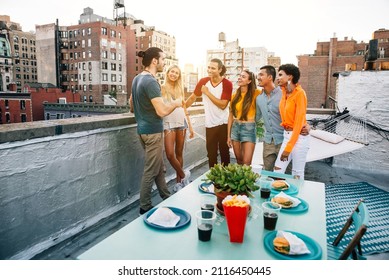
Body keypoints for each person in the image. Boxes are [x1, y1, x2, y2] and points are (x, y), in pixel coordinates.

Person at [129, 47, 182, 215]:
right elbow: (161, 111)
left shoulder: (137, 79)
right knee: (151, 170)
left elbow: (131, 106)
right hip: (152, 132)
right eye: (163, 60)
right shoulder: (151, 81)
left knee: (158, 166)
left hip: (142, 130)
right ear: (154, 61)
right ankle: (144, 206)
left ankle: (166, 196)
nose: (164, 63)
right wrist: (176, 103)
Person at [256, 65, 309, 172]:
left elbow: (299, 117)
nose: (258, 77)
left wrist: (307, 125)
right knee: (272, 172)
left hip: (289, 138)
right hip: (273, 140)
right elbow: (255, 118)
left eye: (261, 74)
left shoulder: (292, 93)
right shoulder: (261, 98)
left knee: (292, 174)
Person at [186, 58, 233, 168]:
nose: (210, 70)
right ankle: (214, 181)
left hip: (223, 124)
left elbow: (223, 105)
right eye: (209, 67)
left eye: (213, 68)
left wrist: (207, 92)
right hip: (210, 124)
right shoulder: (203, 81)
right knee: (211, 155)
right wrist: (182, 108)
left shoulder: (227, 84)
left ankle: (226, 182)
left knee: (225, 155)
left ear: (220, 70)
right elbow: (193, 98)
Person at [273, 64, 310, 180]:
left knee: (297, 174)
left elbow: (299, 122)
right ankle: (279, 196)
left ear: (289, 77)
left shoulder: (300, 94)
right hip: (287, 136)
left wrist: (288, 149)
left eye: (280, 75)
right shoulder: (284, 93)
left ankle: (297, 197)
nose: (277, 78)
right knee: (277, 170)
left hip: (299, 137)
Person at [161, 65, 194, 192]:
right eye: (172, 72)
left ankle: (179, 183)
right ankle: (184, 175)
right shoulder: (161, 88)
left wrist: (190, 126)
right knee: (170, 154)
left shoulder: (180, 89)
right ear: (167, 72)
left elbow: (184, 109)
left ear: (179, 76)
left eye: (177, 73)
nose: (174, 74)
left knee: (179, 153)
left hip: (181, 123)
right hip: (168, 124)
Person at [227, 70, 261, 165]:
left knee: (246, 163)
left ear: (249, 81)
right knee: (239, 161)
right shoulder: (234, 96)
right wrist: (228, 136)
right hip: (235, 128)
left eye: (243, 77)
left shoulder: (256, 93)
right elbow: (230, 116)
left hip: (249, 129)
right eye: (239, 75)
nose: (239, 78)